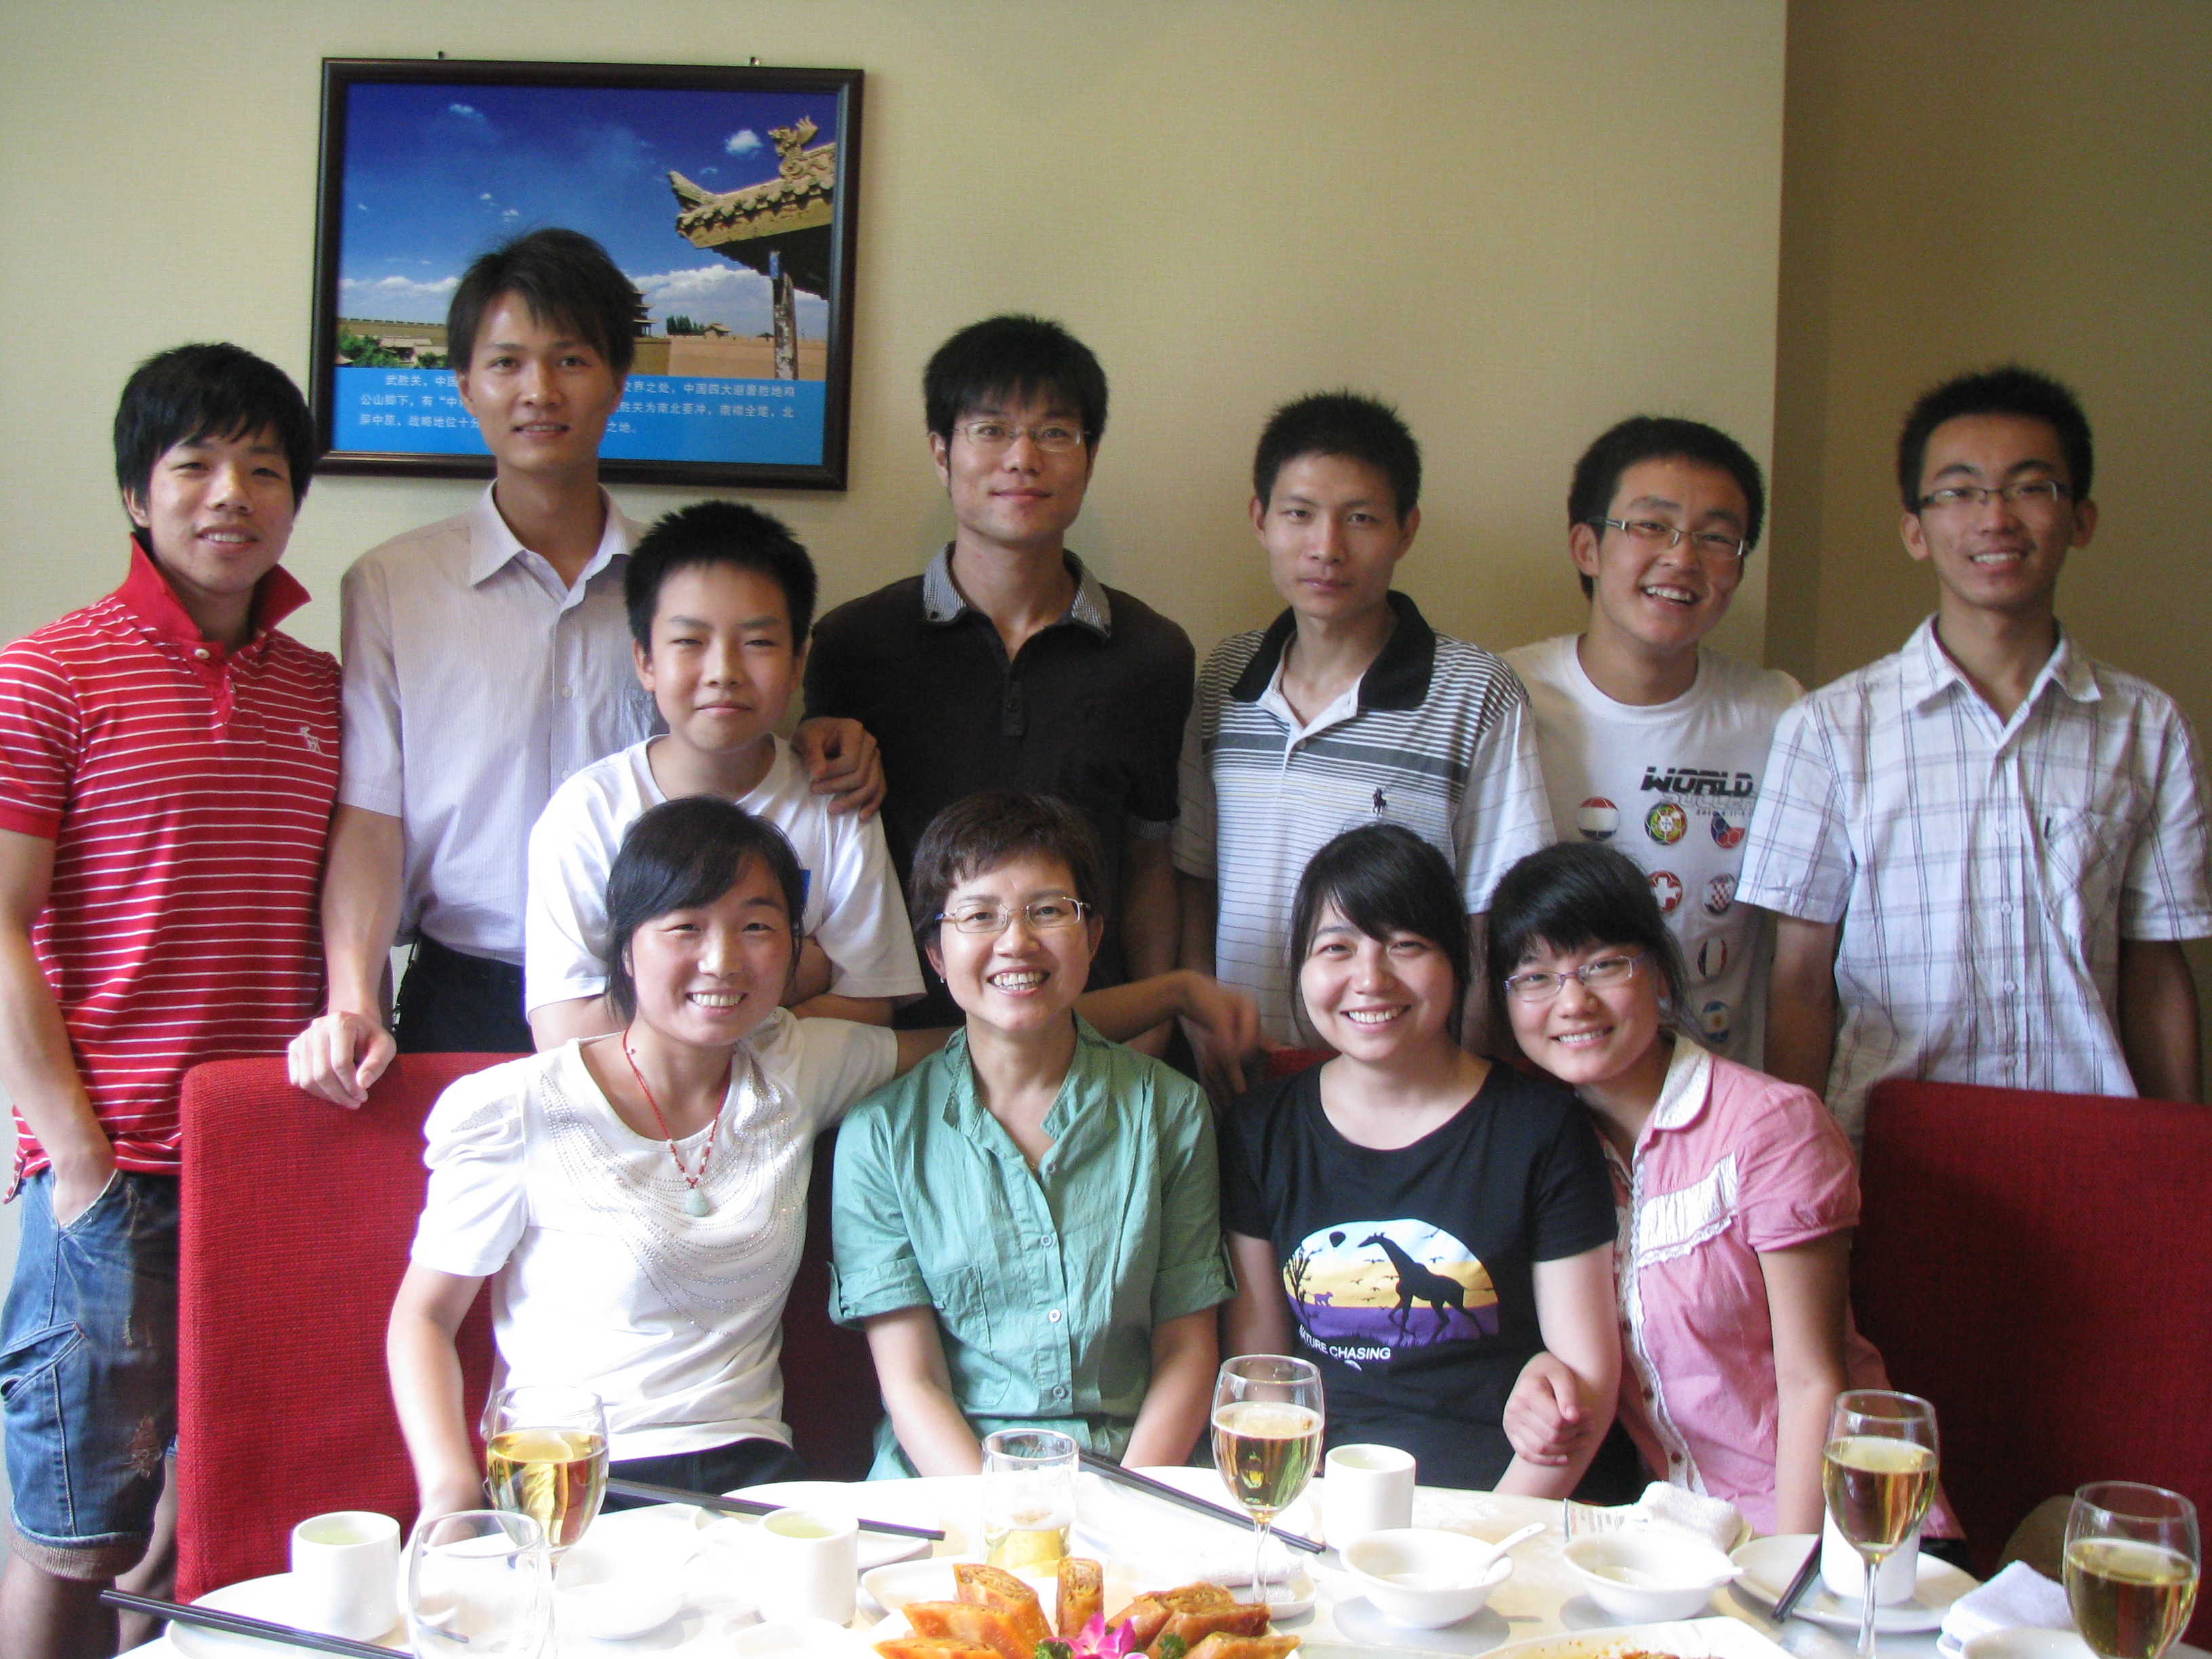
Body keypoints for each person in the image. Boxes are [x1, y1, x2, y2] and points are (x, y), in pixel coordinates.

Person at [390, 796, 1263, 1513]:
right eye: (685, 927)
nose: (722, 960)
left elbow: (1007, 1025)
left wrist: (1176, 995)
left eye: (757, 926)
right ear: (624, 944)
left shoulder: (795, 1066)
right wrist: (450, 1494)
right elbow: (423, 1318)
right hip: (573, 1471)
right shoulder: (516, 1109)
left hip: (754, 1480)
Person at [291, 228, 876, 1102]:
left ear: (617, 380)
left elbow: (735, 748)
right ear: (465, 386)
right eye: (507, 363)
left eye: (570, 359)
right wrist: (353, 998)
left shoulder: (679, 598)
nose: (540, 391)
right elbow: (371, 815)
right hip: (466, 988)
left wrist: (823, 732)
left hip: (665, 1000)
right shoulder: (391, 585)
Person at [0, 344, 340, 1659]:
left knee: (227, 1518)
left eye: (264, 468)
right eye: (194, 465)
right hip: (118, 1173)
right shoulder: (48, 674)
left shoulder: (320, 689)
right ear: (137, 495)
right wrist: (75, 1158)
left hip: (272, 1159)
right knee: (73, 1531)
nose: (231, 494)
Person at [1738, 366, 2211, 1141]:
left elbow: (2155, 971)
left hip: (2094, 1139)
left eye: (2031, 487)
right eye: (1959, 491)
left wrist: (2185, 1157)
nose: (1995, 517)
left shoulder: (2147, 728)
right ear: (1915, 531)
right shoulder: (1829, 728)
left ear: (2080, 519)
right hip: (1894, 1147)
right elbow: (1801, 982)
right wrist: (1796, 1165)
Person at [1486, 841, 1935, 1536]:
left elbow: (1814, 1382)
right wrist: (1539, 1376)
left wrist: (1783, 1572)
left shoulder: (1769, 1126)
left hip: (1845, 1536)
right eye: (1536, 977)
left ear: (1661, 975)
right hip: (1675, 1538)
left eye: (1604, 964)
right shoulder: (1538, 1142)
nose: (1573, 1001)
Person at [804, 315, 1192, 1036]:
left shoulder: (1151, 654)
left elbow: (1148, 858)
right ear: (941, 452)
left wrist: (1152, 1028)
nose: (1022, 459)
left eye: (1054, 433)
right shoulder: (853, 644)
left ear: (1090, 456)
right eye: (990, 430)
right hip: (900, 1045)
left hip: (1085, 1038)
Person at [830, 792, 1233, 1477]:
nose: (1016, 942)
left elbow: (1187, 1351)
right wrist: (1001, 1521)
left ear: (1093, 936)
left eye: (1048, 911)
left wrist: (1124, 1506)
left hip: (1136, 1474)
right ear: (934, 952)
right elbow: (913, 1382)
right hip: (952, 1487)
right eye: (979, 916)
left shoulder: (1170, 1111)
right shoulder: (881, 1136)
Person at [1216, 823, 1619, 1494]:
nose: (1370, 979)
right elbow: (1262, 1370)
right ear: (1301, 969)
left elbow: (1588, 1379)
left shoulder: (1543, 1128)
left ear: (1457, 963)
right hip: (1321, 1494)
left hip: (1497, 1498)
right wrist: (1293, 1509)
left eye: (1405, 945)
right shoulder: (1260, 1129)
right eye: (1336, 948)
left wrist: (1488, 1534)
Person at [1175, 392, 1551, 1063]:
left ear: (1406, 530)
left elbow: (1494, 917)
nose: (1327, 548)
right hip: (1243, 1068)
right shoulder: (1225, 678)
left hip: (1402, 1077)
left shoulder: (1475, 692)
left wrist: (1470, 1082)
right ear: (1260, 519)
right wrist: (1206, 1034)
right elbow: (1196, 879)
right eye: (1299, 514)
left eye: (1361, 519)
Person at [525, 499, 921, 1046]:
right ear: (645, 660)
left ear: (798, 663)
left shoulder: (833, 801)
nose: (724, 672)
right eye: (690, 642)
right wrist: (802, 970)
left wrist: (678, 1008)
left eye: (758, 643)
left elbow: (870, 1005)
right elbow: (564, 1031)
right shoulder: (590, 811)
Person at [1505, 416, 1801, 1064]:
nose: (1682, 558)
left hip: (1715, 1090)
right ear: (1587, 547)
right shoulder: (1504, 697)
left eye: (1716, 537)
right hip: (1536, 1091)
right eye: (1650, 526)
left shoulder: (1781, 714)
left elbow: (1800, 957)